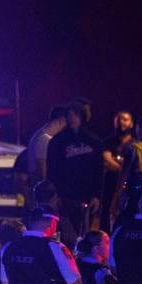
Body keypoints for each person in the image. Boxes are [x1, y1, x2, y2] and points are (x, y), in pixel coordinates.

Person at [47, 101, 103, 235]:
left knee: (84, 232)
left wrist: (97, 195)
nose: (72, 118)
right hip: (66, 196)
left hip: (87, 195)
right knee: (67, 233)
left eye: (76, 115)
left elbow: (98, 170)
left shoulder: (93, 140)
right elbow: (52, 169)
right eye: (69, 115)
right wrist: (54, 195)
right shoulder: (58, 141)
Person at [99, 110, 135, 229]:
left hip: (127, 185)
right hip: (110, 183)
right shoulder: (109, 141)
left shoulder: (135, 143)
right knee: (106, 211)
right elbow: (107, 159)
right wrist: (123, 167)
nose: (121, 122)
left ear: (131, 123)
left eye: (125, 120)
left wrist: (119, 164)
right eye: (119, 119)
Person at [26, 107, 67, 184]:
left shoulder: (39, 134)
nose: (64, 128)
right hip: (41, 184)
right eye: (65, 123)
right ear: (60, 120)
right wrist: (46, 184)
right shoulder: (45, 138)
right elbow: (42, 165)